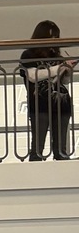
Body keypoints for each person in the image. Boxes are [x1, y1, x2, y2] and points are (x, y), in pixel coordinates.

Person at [19, 21, 75, 162]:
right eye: (51, 36)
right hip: (40, 103)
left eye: (56, 37)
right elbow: (32, 76)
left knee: (61, 149)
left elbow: (63, 81)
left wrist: (66, 71)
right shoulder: (28, 54)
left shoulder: (56, 56)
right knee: (37, 147)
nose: (54, 41)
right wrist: (59, 68)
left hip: (61, 102)